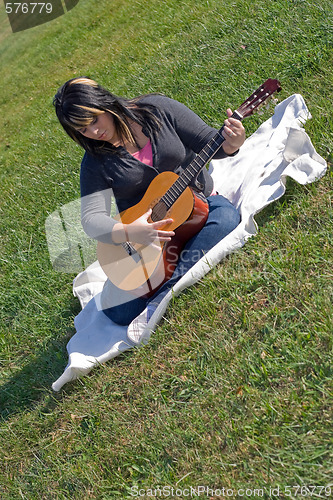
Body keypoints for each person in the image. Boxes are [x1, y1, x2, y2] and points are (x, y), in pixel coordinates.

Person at [53, 77, 245, 335]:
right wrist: (131, 230)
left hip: (196, 207)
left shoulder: (157, 111)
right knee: (117, 312)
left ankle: (166, 289)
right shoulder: (94, 162)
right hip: (145, 241)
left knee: (226, 217)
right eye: (83, 130)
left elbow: (208, 141)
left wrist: (232, 143)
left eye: (95, 120)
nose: (94, 133)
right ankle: (179, 270)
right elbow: (91, 219)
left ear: (103, 103)